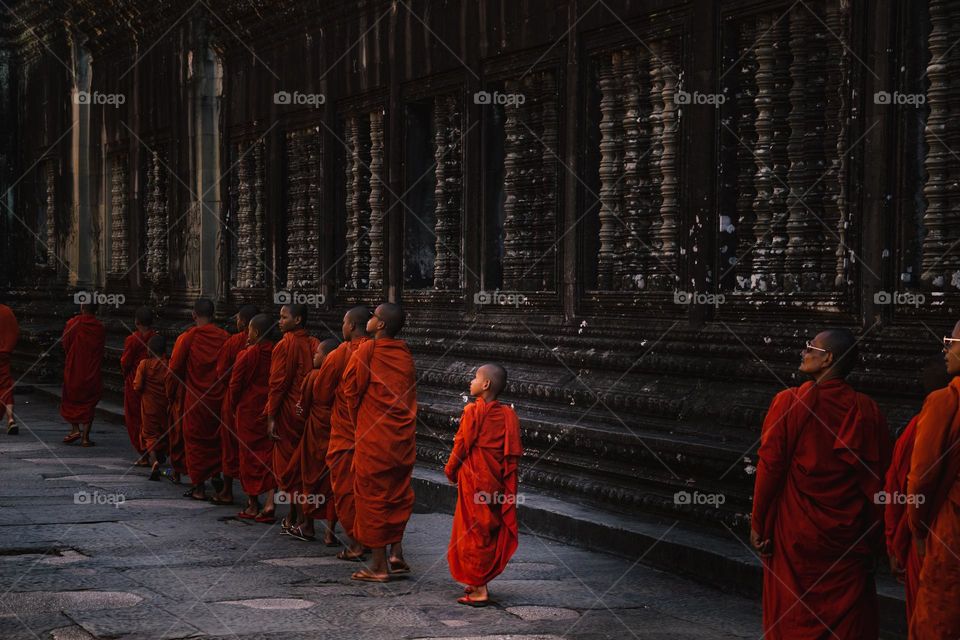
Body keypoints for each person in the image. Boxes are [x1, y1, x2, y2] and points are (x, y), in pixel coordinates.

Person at [751, 329, 891, 639]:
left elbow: (770, 467)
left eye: (810, 348)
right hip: (849, 534)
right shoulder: (867, 410)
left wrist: (759, 522)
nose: (803, 352)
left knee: (794, 612)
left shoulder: (788, 402)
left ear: (827, 358)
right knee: (846, 619)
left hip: (796, 532)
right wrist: (875, 538)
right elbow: (877, 482)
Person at [349, 302, 417, 583]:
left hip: (375, 438)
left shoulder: (369, 349)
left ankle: (378, 566)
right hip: (400, 439)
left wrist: (358, 422)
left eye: (374, 316)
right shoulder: (404, 353)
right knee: (396, 494)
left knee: (372, 496)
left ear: (380, 325)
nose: (369, 318)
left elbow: (352, 390)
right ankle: (396, 553)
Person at [445, 363, 523, 606]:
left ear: (486, 384)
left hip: (474, 480)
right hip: (494, 482)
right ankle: (478, 580)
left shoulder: (472, 412)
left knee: (472, 531)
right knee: (485, 528)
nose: (471, 381)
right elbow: (509, 454)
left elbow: (461, 446)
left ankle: (479, 589)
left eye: (475, 378)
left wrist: (450, 469)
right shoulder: (508, 415)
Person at [883, 358, 950, 627]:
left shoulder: (920, 427)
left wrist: (897, 541)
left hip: (928, 537)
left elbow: (901, 487)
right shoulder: (925, 425)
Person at [907, 321, 960, 639]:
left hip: (952, 529)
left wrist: (918, 528)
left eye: (952, 341)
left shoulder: (945, 401)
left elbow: (921, 479)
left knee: (941, 620)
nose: (946, 349)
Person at [169, 298, 228, 500]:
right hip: (218, 399)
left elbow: (175, 368)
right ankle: (216, 474)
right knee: (216, 440)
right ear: (213, 315)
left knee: (194, 441)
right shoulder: (225, 337)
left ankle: (199, 487)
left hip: (194, 400)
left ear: (194, 315)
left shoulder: (189, 338)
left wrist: (170, 395)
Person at [265, 303, 317, 531]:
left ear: (297, 320)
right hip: (305, 412)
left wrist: (271, 415)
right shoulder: (314, 344)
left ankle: (297, 517)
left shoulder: (284, 345)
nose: (280, 321)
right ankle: (304, 519)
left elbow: (278, 385)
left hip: (288, 413)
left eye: (284, 317)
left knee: (288, 468)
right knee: (304, 466)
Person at [325, 306, 370, 560]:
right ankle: (384, 546)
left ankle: (356, 542)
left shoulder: (342, 353)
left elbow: (321, 393)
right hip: (374, 435)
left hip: (346, 432)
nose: (342, 326)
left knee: (345, 489)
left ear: (352, 326)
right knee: (370, 490)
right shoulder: (384, 352)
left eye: (343, 322)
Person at [286, 338, 340, 543]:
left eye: (317, 353)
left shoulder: (313, 376)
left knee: (309, 480)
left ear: (327, 357)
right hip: (335, 434)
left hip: (314, 434)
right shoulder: (342, 375)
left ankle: (308, 526)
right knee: (332, 484)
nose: (314, 356)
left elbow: (303, 407)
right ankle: (330, 532)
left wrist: (300, 409)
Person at [230, 313, 277, 523]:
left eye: (249, 329)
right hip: (270, 411)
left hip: (249, 411)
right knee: (268, 455)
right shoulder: (278, 351)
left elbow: (235, 385)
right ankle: (270, 501)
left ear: (255, 332)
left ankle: (252, 504)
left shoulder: (247, 355)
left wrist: (232, 406)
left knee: (248, 457)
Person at [212, 305, 259, 505]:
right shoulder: (272, 346)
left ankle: (228, 490)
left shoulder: (234, 343)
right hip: (260, 404)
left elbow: (222, 372)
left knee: (231, 447)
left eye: (239, 319)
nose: (236, 322)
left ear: (246, 324)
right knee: (255, 449)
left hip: (235, 401)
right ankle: (257, 498)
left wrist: (233, 392)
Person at [61, 302, 106, 447]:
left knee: (71, 399)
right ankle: (85, 437)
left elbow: (65, 343)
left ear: (82, 308)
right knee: (89, 403)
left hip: (75, 368)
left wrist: (73, 356)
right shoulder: (99, 327)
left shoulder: (73, 323)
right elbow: (100, 349)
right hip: (91, 370)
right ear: (96, 310)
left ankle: (75, 429)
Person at [120, 306, 157, 465]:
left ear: (136, 322)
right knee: (150, 419)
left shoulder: (132, 339)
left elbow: (125, 362)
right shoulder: (155, 338)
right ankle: (153, 451)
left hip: (135, 383)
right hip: (154, 383)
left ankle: (143, 455)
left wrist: (126, 374)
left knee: (135, 418)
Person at [134, 334, 171, 480]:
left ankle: (154, 460)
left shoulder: (144, 364)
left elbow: (137, 386)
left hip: (149, 406)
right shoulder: (168, 365)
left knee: (149, 434)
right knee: (164, 432)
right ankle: (166, 465)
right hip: (164, 406)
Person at [0, 301, 19, 434]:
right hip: (3, 354)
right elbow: (15, 333)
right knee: (6, 386)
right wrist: (7, 350)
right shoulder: (7, 311)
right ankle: (11, 419)